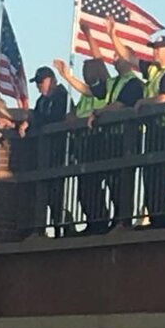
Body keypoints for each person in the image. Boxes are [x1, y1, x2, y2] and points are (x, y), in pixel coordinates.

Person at [107, 16, 165, 228]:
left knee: (160, 174)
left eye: (159, 48)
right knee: (150, 173)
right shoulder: (154, 71)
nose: (154, 52)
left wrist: (143, 102)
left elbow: (164, 98)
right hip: (153, 129)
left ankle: (163, 220)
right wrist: (113, 35)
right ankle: (155, 217)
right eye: (154, 48)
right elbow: (130, 58)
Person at [53, 56, 110, 234]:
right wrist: (73, 116)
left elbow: (90, 92)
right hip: (84, 143)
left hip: (99, 141)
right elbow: (79, 107)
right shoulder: (87, 96)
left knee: (94, 186)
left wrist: (66, 76)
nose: (85, 74)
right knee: (84, 188)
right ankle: (92, 222)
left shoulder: (103, 88)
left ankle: (100, 222)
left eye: (87, 71)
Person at [18, 66, 70, 236]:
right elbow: (37, 118)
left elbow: (54, 118)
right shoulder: (41, 101)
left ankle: (60, 229)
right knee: (43, 194)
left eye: (41, 82)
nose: (39, 86)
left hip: (57, 151)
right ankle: (41, 230)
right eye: (37, 82)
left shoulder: (63, 97)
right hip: (42, 153)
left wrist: (32, 119)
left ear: (51, 81)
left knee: (55, 193)